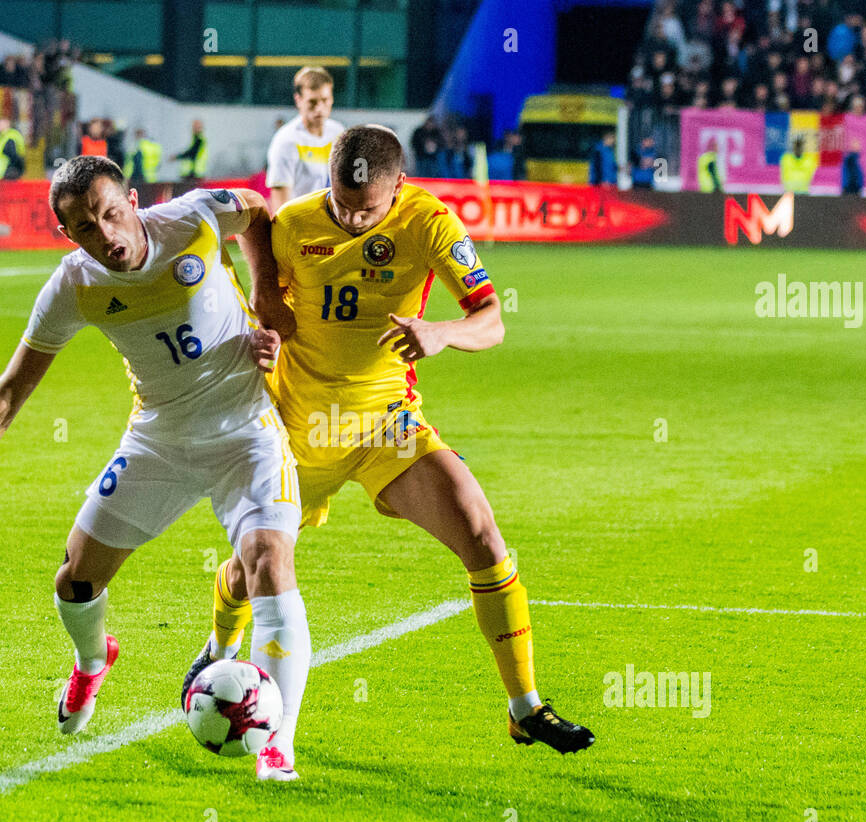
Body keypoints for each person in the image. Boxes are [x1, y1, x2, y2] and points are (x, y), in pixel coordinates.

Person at [182, 125, 595, 763]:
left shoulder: (429, 222)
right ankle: (218, 651)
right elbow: (263, 307)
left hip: (385, 425)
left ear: (398, 187)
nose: (349, 218)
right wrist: (264, 331)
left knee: (482, 535)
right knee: (250, 569)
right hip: (297, 426)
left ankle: (525, 709)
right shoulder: (294, 224)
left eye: (365, 210)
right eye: (341, 204)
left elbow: (492, 322)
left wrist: (442, 331)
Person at [0, 157, 311, 782]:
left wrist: (263, 296)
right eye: (85, 228)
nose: (107, 236)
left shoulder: (196, 216)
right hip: (160, 440)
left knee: (268, 559)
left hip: (247, 431)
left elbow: (257, 210)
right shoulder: (73, 287)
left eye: (111, 214)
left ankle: (276, 746)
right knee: (75, 580)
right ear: (66, 235)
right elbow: (13, 389)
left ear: (131, 199)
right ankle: (93, 662)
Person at [265, 66, 345, 215]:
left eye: (325, 100)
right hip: (302, 227)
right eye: (312, 102)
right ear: (298, 100)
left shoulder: (339, 133)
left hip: (336, 227)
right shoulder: (286, 141)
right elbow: (280, 207)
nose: (319, 108)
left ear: (332, 98)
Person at [0, 115, 25, 180]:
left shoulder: (10, 138)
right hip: (0, 175)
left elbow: (14, 156)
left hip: (8, 174)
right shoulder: (0, 138)